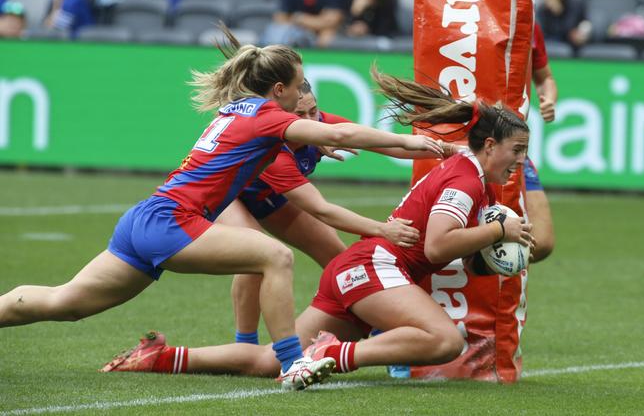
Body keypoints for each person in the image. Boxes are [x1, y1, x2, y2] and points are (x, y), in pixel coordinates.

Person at [0, 32, 439, 390]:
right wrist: (413, 143)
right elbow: (342, 138)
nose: (308, 92)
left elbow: (332, 132)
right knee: (273, 256)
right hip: (172, 221)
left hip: (146, 217)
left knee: (66, 302)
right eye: (301, 83)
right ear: (280, 89)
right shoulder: (268, 116)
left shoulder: (242, 109)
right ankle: (291, 363)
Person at [100, 68, 535, 380]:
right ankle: (323, 350)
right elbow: (432, 244)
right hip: (244, 203)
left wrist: (438, 150)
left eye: (313, 112)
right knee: (446, 340)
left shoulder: (467, 172)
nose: (522, 162)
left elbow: (384, 146)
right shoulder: (466, 180)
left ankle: (161, 357)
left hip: (360, 268)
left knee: (272, 362)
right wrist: (497, 232)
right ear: (491, 145)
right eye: (517, 150)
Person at [227, 79, 443, 344]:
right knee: (255, 255)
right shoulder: (275, 151)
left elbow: (391, 146)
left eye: (313, 112)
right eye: (300, 115)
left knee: (342, 262)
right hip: (230, 195)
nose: (311, 120)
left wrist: (454, 151)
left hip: (270, 198)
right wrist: (383, 229)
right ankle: (245, 346)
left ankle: (384, 331)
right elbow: (322, 210)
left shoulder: (322, 125)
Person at [524, 22, 557, 261]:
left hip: (511, 147)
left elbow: (545, 78)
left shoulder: (529, 24)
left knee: (542, 241)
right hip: (468, 144)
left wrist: (549, 99)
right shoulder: (465, 15)